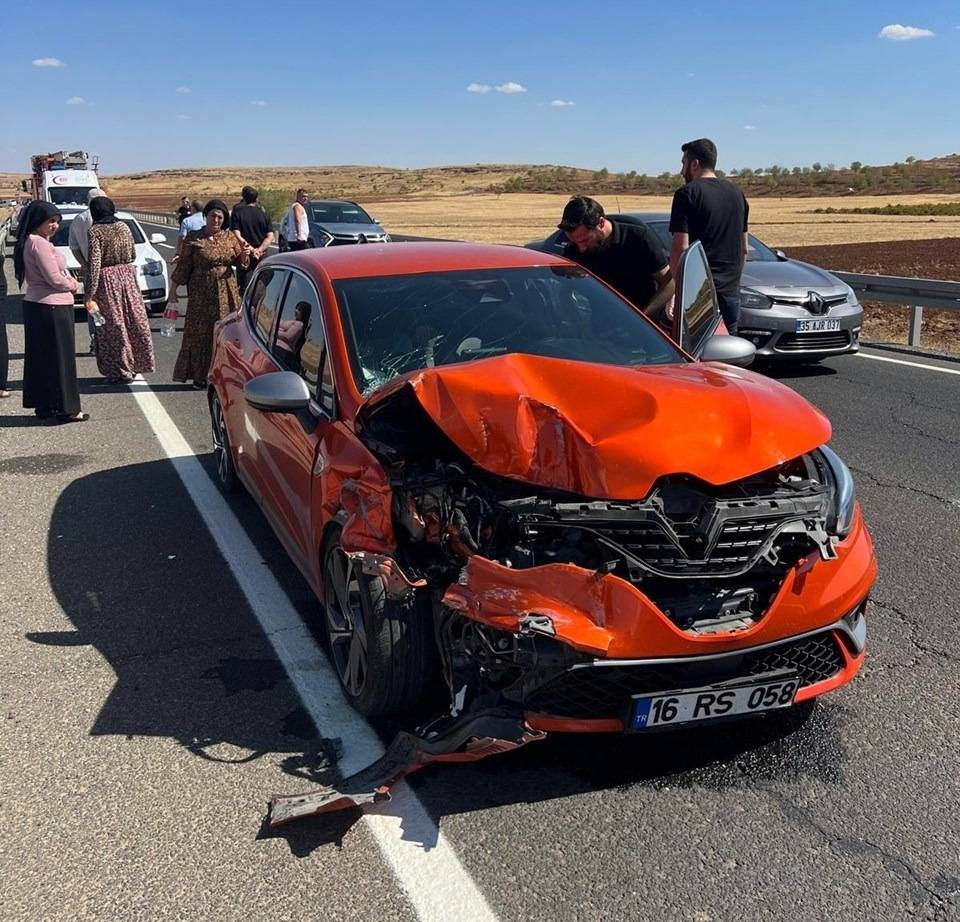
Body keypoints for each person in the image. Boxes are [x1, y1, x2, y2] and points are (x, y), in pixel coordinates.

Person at [13, 201, 87, 422]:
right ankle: (66, 408)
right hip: (52, 305)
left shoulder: (32, 241)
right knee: (60, 360)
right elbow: (54, 278)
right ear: (38, 222)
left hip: (38, 304)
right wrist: (73, 285)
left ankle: (45, 406)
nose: (55, 226)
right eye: (50, 222)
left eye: (57, 222)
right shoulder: (40, 244)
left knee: (42, 359)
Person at [669, 138, 749, 334]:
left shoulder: (686, 194)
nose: (681, 171)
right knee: (727, 354)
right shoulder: (737, 194)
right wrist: (731, 282)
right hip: (731, 293)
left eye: (683, 163)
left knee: (695, 357)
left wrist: (680, 292)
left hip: (699, 297)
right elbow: (744, 249)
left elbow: (680, 249)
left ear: (694, 164)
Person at [168, 199, 251, 388]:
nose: (216, 220)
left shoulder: (230, 237)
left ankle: (226, 374)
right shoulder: (194, 237)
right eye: (213, 216)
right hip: (200, 294)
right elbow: (184, 266)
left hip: (226, 293)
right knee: (200, 334)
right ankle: (199, 376)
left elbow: (241, 263)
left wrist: (245, 253)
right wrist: (173, 291)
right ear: (206, 217)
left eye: (220, 217)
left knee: (226, 333)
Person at [83, 196, 156, 383]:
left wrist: (89, 293)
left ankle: (120, 369)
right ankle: (137, 363)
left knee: (113, 325)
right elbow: (131, 254)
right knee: (133, 319)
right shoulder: (124, 227)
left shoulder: (95, 231)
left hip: (107, 280)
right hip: (127, 277)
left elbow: (95, 264)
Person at [558, 196, 671, 315]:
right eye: (575, 242)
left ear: (601, 223)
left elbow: (668, 280)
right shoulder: (574, 249)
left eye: (585, 240)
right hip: (602, 325)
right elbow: (564, 284)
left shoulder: (638, 237)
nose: (581, 249)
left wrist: (645, 316)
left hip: (644, 324)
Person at [68, 186, 106, 353]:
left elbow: (74, 246)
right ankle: (109, 338)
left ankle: (95, 339)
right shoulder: (109, 218)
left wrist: (84, 264)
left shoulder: (79, 219)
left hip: (90, 270)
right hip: (108, 269)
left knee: (92, 304)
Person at [230, 185, 275, 293]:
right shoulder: (264, 214)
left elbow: (236, 234)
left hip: (245, 257)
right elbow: (270, 236)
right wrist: (259, 250)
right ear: (256, 198)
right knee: (260, 289)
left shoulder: (238, 212)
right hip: (262, 257)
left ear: (243, 197)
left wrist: (251, 249)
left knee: (245, 290)